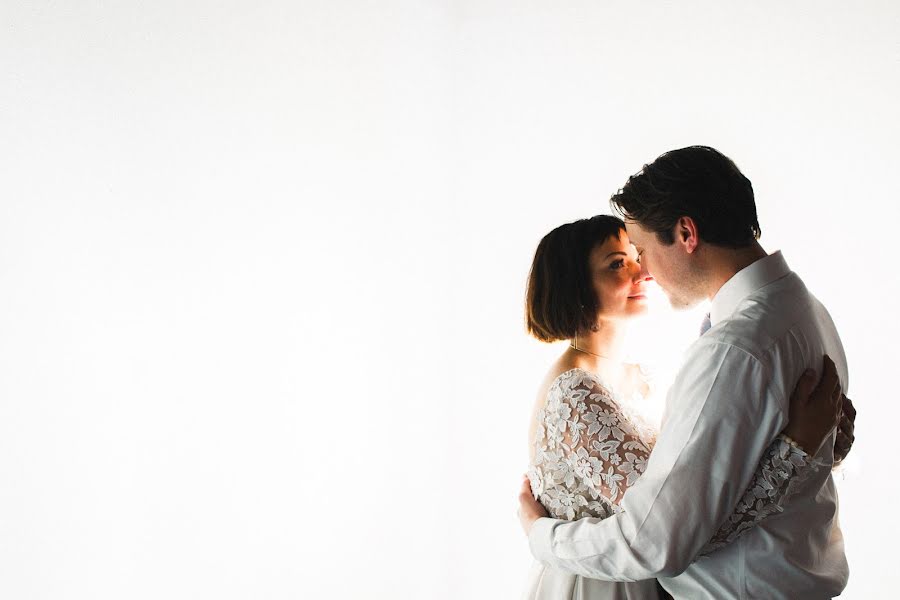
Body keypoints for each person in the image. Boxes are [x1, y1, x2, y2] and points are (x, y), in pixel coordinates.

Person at [518, 146, 853, 598]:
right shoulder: (805, 311)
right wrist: (804, 453)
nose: (645, 270)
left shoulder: (734, 350)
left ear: (686, 233)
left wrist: (541, 534)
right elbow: (679, 520)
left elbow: (661, 535)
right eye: (625, 259)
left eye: (641, 250)